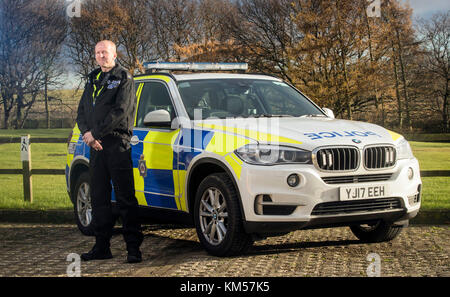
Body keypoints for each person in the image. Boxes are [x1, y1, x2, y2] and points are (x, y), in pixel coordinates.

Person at [76, 40, 143, 263]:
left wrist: (95, 133)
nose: (101, 56)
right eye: (98, 53)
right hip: (96, 148)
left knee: (125, 198)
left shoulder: (124, 77)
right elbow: (82, 112)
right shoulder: (93, 79)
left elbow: (120, 111)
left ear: (114, 54)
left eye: (105, 52)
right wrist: (88, 134)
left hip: (117, 144)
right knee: (99, 197)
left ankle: (133, 249)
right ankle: (102, 247)